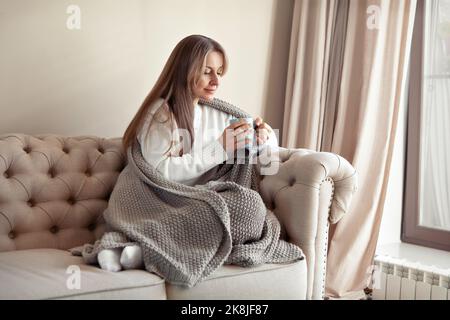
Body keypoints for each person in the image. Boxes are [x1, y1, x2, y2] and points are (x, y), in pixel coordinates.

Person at [97, 34, 278, 272]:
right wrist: (221, 148)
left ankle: (144, 251)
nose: (216, 81)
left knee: (252, 208)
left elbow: (268, 162)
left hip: (199, 199)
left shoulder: (220, 113)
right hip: (158, 201)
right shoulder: (160, 113)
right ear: (185, 70)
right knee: (220, 211)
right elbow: (161, 174)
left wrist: (266, 139)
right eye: (207, 72)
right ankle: (145, 246)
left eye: (220, 72)